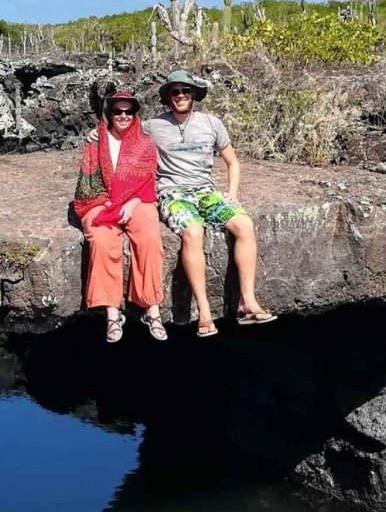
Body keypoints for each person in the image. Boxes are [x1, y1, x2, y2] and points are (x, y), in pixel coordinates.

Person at [90, 69, 275, 336]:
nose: (181, 96)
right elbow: (120, 127)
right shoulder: (153, 126)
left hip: (206, 192)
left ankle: (247, 301)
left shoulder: (213, 124)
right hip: (172, 194)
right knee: (193, 231)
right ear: (168, 97)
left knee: (244, 224)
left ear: (193, 95)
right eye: (175, 92)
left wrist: (232, 193)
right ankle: (204, 312)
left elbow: (232, 161)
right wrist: (97, 135)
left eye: (185, 91)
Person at [72, 89, 168, 343]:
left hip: (137, 200)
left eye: (128, 111)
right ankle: (113, 313)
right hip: (101, 201)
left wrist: (134, 200)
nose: (123, 116)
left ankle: (152, 308)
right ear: (110, 114)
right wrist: (106, 203)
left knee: (149, 236)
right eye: (117, 111)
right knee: (101, 240)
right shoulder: (96, 141)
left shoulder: (145, 143)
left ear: (135, 114)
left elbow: (149, 180)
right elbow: (87, 183)